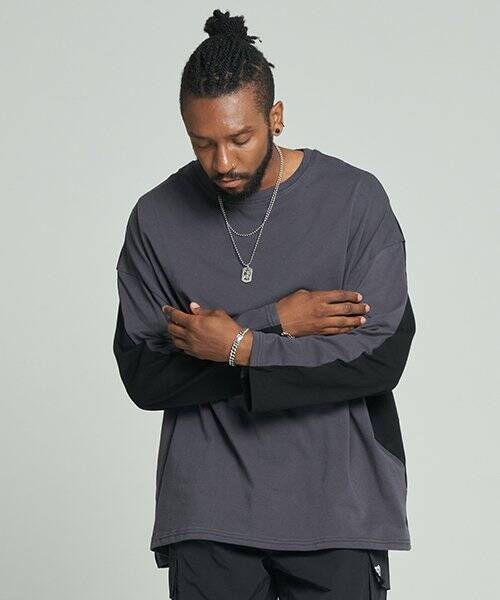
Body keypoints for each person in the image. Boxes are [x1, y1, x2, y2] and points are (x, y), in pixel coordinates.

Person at [113, 8, 416, 599]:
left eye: (239, 139)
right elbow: (147, 376)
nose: (222, 162)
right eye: (203, 143)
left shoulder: (354, 200)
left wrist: (241, 347)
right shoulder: (155, 218)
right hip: (208, 514)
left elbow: (379, 359)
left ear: (275, 117)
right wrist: (277, 321)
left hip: (338, 508)